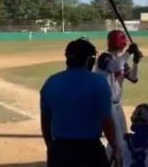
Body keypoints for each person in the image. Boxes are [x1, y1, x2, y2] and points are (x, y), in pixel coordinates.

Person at [40, 38, 120, 167]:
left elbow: (45, 121)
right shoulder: (98, 82)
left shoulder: (51, 82)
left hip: (60, 150)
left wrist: (51, 147)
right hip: (90, 150)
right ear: (89, 60)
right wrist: (114, 146)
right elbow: (106, 120)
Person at [95, 30, 143, 154]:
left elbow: (133, 78)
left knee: (123, 139)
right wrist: (129, 52)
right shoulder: (104, 57)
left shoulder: (121, 60)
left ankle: (115, 161)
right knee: (116, 143)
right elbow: (114, 66)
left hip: (117, 105)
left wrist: (136, 63)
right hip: (107, 105)